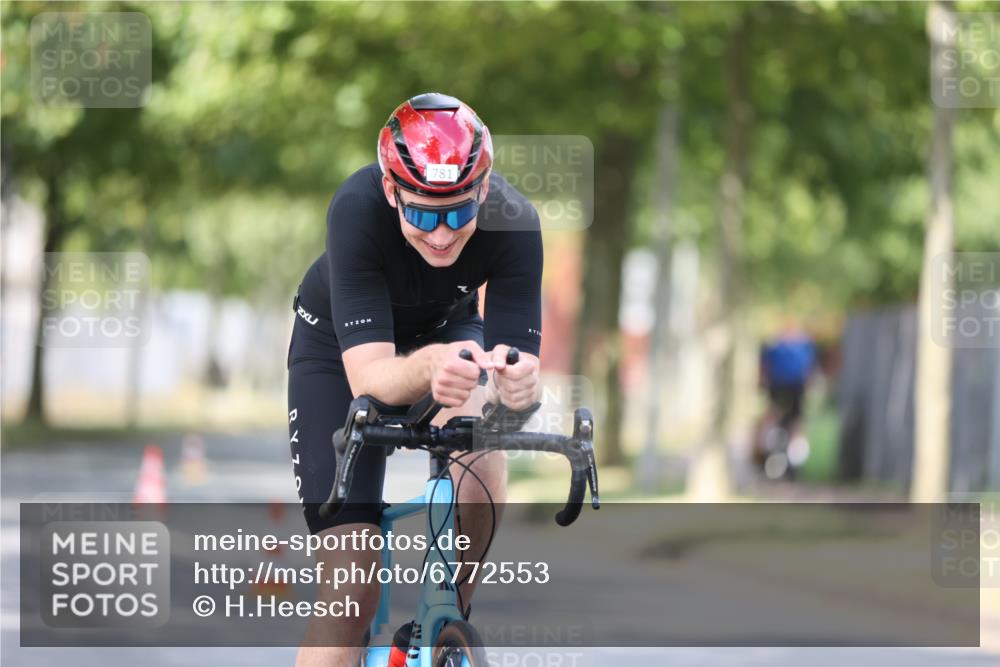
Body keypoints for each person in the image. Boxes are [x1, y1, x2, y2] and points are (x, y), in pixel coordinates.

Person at [286, 92, 543, 666]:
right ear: (390, 191)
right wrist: (430, 364)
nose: (444, 233)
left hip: (448, 331)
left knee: (484, 447)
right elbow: (370, 379)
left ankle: (445, 624)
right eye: (424, 213)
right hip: (339, 352)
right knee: (350, 595)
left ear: (484, 189)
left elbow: (516, 366)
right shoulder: (355, 208)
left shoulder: (517, 222)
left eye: (460, 211)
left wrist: (521, 386)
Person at [753, 320, 817, 477]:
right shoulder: (795, 345)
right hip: (785, 387)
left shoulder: (784, 346)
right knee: (786, 421)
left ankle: (792, 459)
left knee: (790, 422)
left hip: (789, 387)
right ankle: (778, 456)